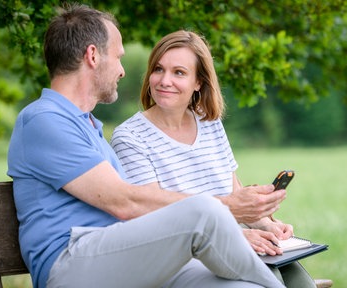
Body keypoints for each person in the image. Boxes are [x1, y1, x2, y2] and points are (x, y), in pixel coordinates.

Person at [7, 4, 287, 288]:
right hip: (71, 264)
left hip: (120, 256)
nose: (122, 71)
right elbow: (125, 202)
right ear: (93, 56)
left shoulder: (86, 125)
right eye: (118, 57)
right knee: (203, 211)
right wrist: (226, 207)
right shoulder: (44, 120)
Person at [110, 30, 316, 287]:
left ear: (199, 82)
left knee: (300, 281)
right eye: (159, 69)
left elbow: (232, 194)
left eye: (179, 72)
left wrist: (264, 224)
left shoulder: (209, 122)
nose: (164, 80)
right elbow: (149, 213)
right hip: (182, 259)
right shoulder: (130, 137)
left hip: (231, 243)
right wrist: (236, 238)